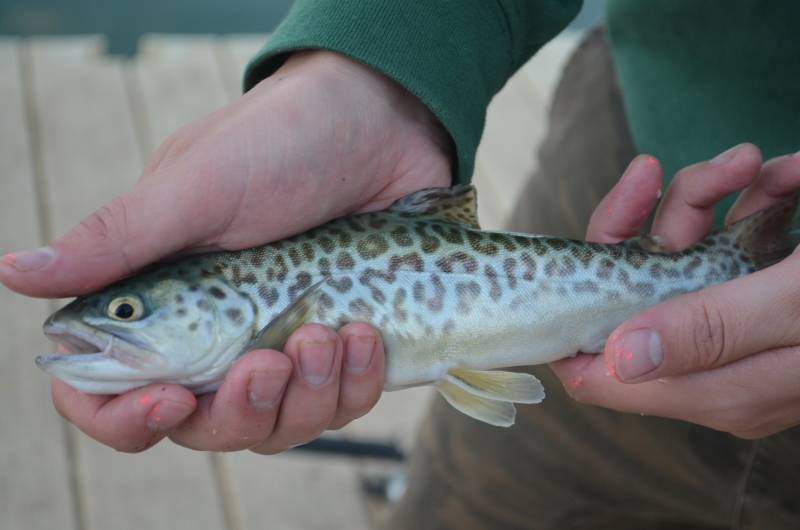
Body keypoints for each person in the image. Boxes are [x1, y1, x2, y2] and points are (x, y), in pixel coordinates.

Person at [1, 0, 798, 527]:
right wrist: (378, 74)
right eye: (126, 314)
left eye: (128, 312)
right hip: (662, 111)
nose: (108, 328)